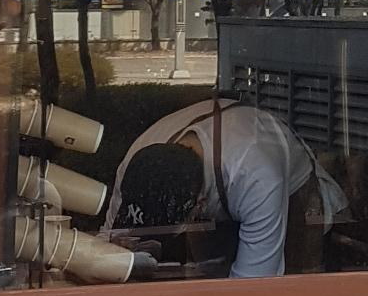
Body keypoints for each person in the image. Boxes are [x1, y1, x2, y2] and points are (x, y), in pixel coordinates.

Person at [104, 97, 346, 278]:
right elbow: (106, 248)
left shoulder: (257, 175)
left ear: (199, 208)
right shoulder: (136, 162)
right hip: (220, 178)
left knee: (294, 292)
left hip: (294, 191)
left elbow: (253, 287)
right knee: (204, 274)